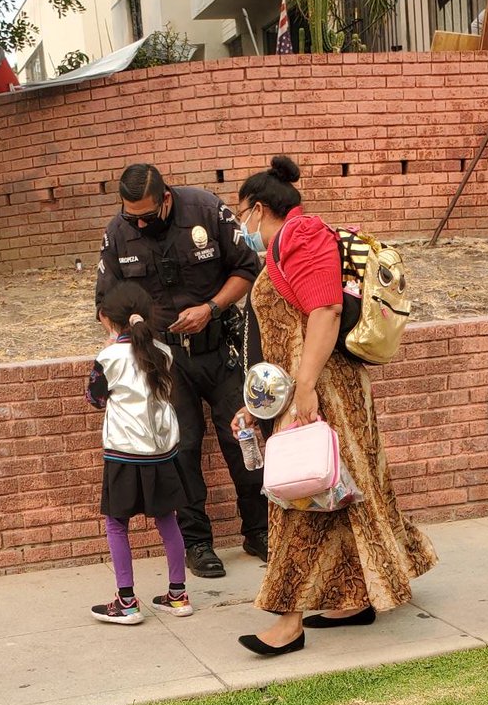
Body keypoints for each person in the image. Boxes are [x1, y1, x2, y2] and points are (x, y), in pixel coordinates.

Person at [231, 156, 438, 656]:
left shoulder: (300, 237)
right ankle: (357, 595)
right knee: (344, 492)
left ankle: (288, 621)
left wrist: (304, 390)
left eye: (241, 215)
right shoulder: (290, 240)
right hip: (309, 387)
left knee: (299, 497)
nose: (241, 227)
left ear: (258, 209)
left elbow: (323, 310)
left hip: (321, 391)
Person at [96, 164, 268, 580]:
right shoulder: (118, 233)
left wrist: (212, 308)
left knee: (241, 437)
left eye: (147, 216)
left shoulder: (207, 209)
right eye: (130, 215)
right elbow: (105, 305)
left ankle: (260, 531)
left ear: (166, 198)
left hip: (218, 347)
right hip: (166, 360)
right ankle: (197, 543)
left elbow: (246, 269)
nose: (138, 222)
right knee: (182, 447)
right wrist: (135, 342)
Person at [85, 282, 193, 625]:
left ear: (106, 319)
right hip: (161, 452)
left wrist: (107, 351)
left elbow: (95, 398)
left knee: (116, 524)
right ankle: (177, 595)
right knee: (167, 519)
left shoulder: (108, 358)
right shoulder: (164, 351)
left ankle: (127, 602)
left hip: (124, 454)